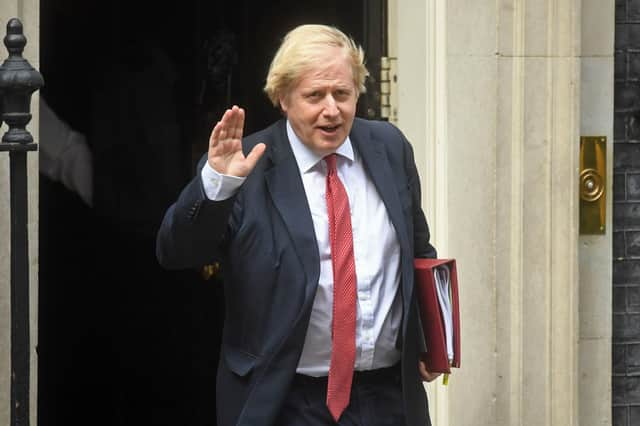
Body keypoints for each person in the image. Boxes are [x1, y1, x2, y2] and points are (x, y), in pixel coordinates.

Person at [156, 24, 439, 426]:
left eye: (342, 94)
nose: (332, 110)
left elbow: (418, 251)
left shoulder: (389, 147)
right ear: (283, 98)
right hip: (286, 399)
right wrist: (218, 186)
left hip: (388, 397)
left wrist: (431, 339)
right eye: (314, 96)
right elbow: (176, 252)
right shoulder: (246, 166)